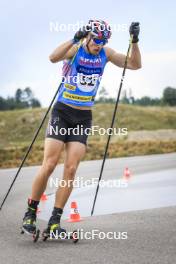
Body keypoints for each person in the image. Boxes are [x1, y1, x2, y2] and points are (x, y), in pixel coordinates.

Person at [22, 20, 141, 235]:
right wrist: (74, 38)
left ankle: (55, 222)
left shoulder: (105, 53)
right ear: (88, 36)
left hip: (83, 116)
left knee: (71, 169)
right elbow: (52, 58)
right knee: (49, 164)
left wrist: (134, 41)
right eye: (96, 40)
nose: (99, 44)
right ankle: (30, 213)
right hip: (62, 111)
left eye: (104, 41)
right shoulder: (76, 49)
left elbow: (134, 65)